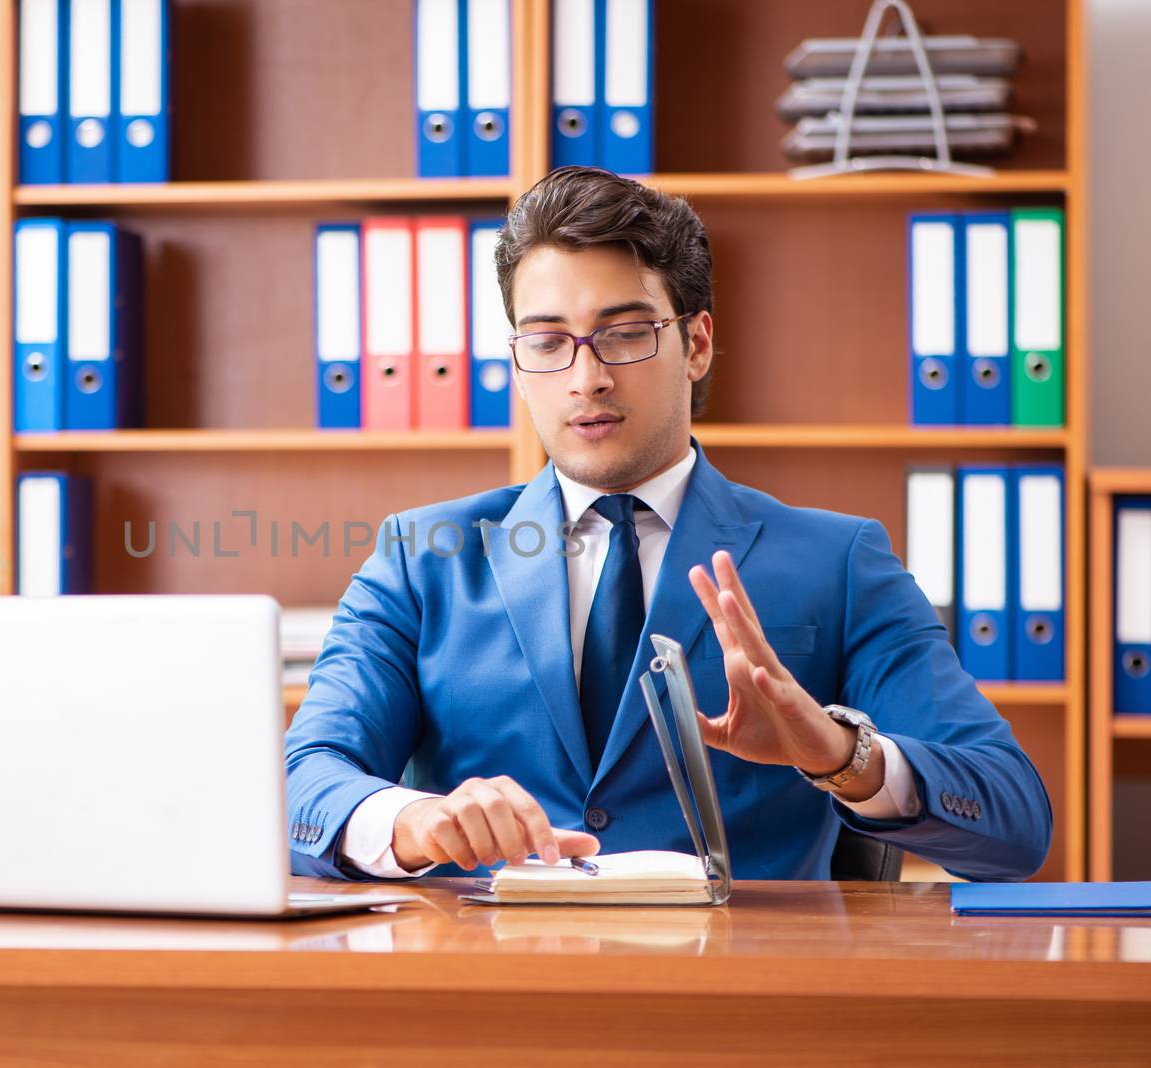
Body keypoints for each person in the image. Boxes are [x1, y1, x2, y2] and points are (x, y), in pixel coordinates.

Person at [284, 166, 1051, 882]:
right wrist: (415, 820)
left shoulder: (836, 561)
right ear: (518, 364)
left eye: (623, 333)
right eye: (548, 342)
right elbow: (301, 780)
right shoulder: (424, 558)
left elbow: (1013, 818)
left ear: (698, 345)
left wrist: (841, 755)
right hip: (493, 991)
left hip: (738, 1001)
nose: (586, 378)